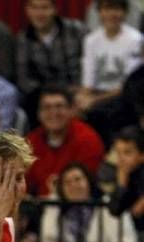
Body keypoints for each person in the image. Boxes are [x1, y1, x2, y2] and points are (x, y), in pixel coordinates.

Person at [75, 0, 144, 145]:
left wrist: (94, 100)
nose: (112, 14)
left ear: (125, 13)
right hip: (97, 94)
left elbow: (129, 84)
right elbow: (88, 78)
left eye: (117, 9)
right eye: (107, 9)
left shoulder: (135, 39)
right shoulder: (91, 40)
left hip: (123, 95)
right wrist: (83, 98)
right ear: (99, 12)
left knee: (101, 111)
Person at [16, 0, 84, 128]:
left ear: (55, 9)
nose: (40, 13)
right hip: (43, 95)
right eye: (34, 8)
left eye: (45, 8)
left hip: (77, 91)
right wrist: (49, 96)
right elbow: (23, 79)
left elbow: (89, 64)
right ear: (27, 11)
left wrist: (79, 92)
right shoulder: (23, 38)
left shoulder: (77, 30)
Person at [27, 85, 105, 196]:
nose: (54, 113)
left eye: (59, 106)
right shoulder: (31, 142)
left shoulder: (88, 140)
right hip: (37, 207)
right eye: (47, 107)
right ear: (39, 114)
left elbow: (85, 186)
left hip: (77, 206)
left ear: (72, 110)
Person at [108, 125, 144, 242]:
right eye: (118, 153)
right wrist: (121, 184)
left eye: (127, 153)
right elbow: (114, 210)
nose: (121, 159)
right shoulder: (125, 176)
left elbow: (137, 211)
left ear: (142, 155)